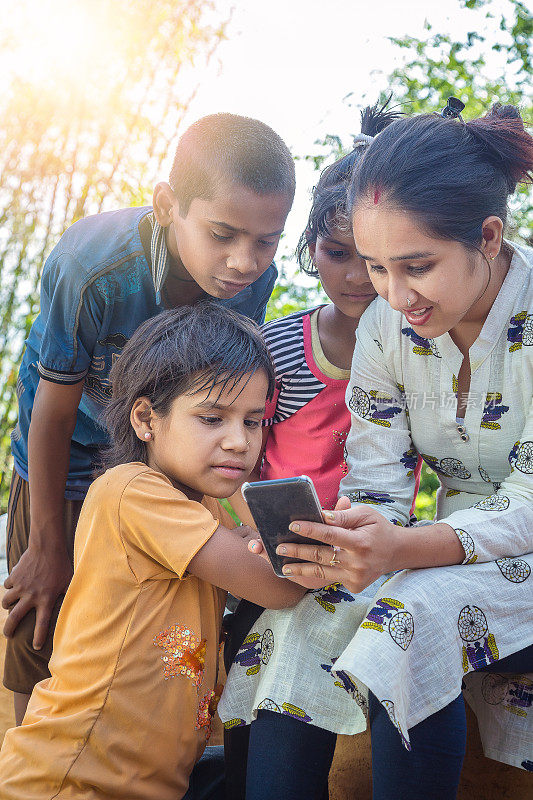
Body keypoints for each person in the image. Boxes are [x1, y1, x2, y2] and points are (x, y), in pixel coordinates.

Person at [253, 100, 533, 798]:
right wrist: (341, 538)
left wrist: (403, 550)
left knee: (414, 614)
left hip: (508, 547)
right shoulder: (385, 325)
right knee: (302, 618)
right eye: (377, 268)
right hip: (445, 543)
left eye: (416, 265)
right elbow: (376, 478)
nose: (392, 294)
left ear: (489, 236)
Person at [2, 112, 295, 723]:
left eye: (265, 241)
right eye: (223, 234)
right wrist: (49, 543)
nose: (244, 262)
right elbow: (52, 414)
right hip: (66, 453)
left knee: (164, 631)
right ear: (168, 206)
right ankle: (33, 746)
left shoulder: (251, 282)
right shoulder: (93, 264)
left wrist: (235, 516)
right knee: (44, 616)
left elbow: (227, 406)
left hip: (168, 464)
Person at [0, 303, 307, 800]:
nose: (238, 441)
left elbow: (268, 546)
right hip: (69, 779)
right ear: (146, 418)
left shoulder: (213, 502)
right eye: (211, 418)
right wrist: (332, 551)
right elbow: (276, 581)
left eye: (254, 422)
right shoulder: (133, 491)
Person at [219, 101, 420, 800]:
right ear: (310, 251)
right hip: (270, 551)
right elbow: (236, 461)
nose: (358, 278)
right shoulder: (276, 347)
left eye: (371, 260)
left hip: (365, 557)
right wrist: (251, 532)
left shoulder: (416, 355)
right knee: (250, 655)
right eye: (338, 256)